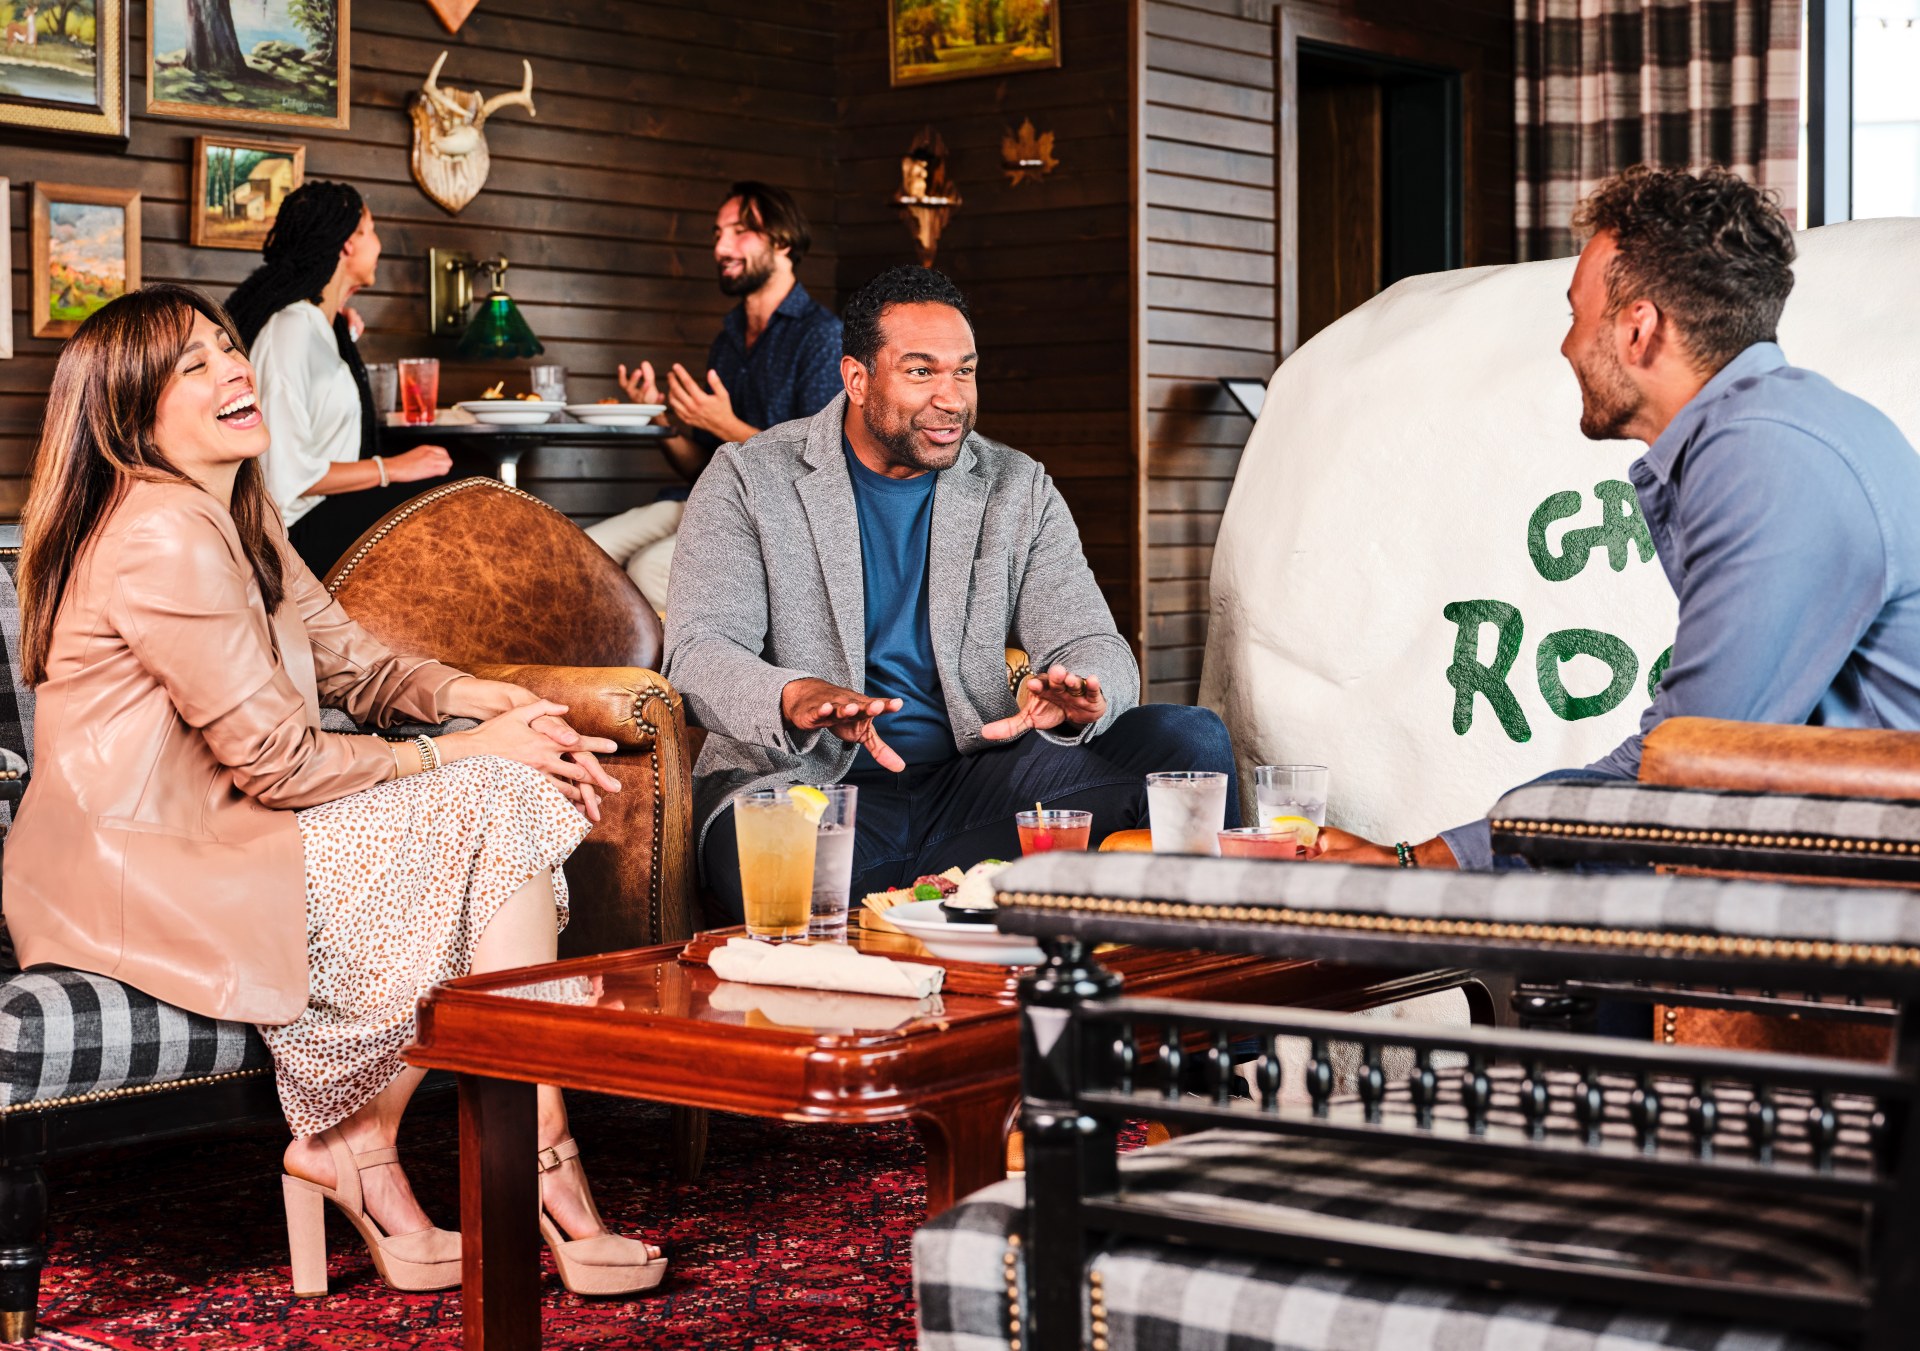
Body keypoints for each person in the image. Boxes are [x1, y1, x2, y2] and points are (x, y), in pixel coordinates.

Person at [3, 285, 665, 1299]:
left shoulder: (237, 510)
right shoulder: (160, 533)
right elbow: (276, 760)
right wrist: (461, 753)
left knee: (504, 806)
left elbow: (357, 664)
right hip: (142, 871)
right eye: (193, 365)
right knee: (499, 801)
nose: (234, 368)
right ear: (132, 418)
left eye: (227, 347)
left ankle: (371, 1148)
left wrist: (479, 698)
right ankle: (534, 1168)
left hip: (233, 834)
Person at [1313, 165, 1920, 871]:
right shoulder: (1781, 428)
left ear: (1639, 329)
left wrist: (1423, 865)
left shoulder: (1765, 458)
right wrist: (1430, 857)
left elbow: (1690, 768)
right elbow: (1677, 749)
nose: (1568, 345)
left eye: (1577, 315)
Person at [664, 265, 1238, 920]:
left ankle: (1215, 990)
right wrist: (794, 694)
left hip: (976, 788)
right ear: (857, 379)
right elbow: (698, 653)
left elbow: (1089, 637)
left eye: (964, 371)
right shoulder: (749, 477)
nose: (952, 397)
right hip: (807, 792)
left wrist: (1083, 690)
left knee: (1189, 743)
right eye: (921, 372)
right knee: (778, 869)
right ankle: (958, 899)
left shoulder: (1016, 485)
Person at [587, 181, 843, 609]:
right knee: (582, 552)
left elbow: (820, 468)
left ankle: (692, 654)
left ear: (782, 241)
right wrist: (659, 420)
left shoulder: (822, 337)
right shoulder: (728, 340)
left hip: (776, 520)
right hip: (709, 499)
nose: (721, 247)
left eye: (740, 232)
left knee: (649, 569)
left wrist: (726, 425)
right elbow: (700, 465)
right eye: (718, 234)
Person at [227, 181, 454, 577]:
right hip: (294, 535)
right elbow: (286, 474)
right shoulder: (291, 329)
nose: (378, 245)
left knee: (459, 491)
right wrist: (391, 468)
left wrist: (340, 327)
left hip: (322, 516)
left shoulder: (319, 326)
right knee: (449, 502)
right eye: (371, 231)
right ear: (349, 243)